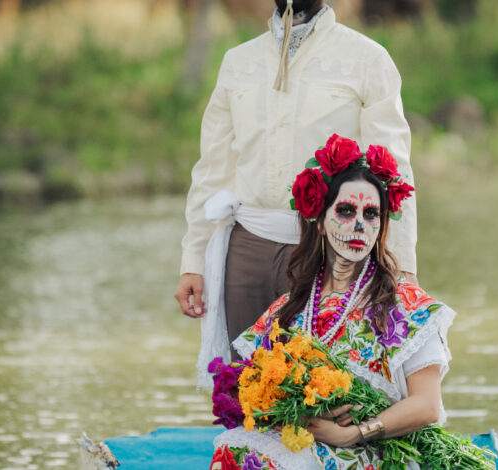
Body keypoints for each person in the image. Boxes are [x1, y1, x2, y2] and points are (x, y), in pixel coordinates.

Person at [174, 0, 418, 380]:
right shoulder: (238, 62)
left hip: (329, 248)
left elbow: (394, 173)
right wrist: (193, 261)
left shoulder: (368, 59)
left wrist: (401, 268)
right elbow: (212, 168)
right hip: (247, 247)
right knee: (248, 385)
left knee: (325, 385)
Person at [209, 137, 453, 469]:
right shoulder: (290, 309)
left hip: (377, 446)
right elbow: (258, 394)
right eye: (346, 210)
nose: (358, 225)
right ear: (321, 222)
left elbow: (427, 406)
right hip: (306, 441)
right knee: (234, 453)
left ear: (381, 226)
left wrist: (354, 433)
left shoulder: (404, 305)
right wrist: (295, 416)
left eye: (371, 214)